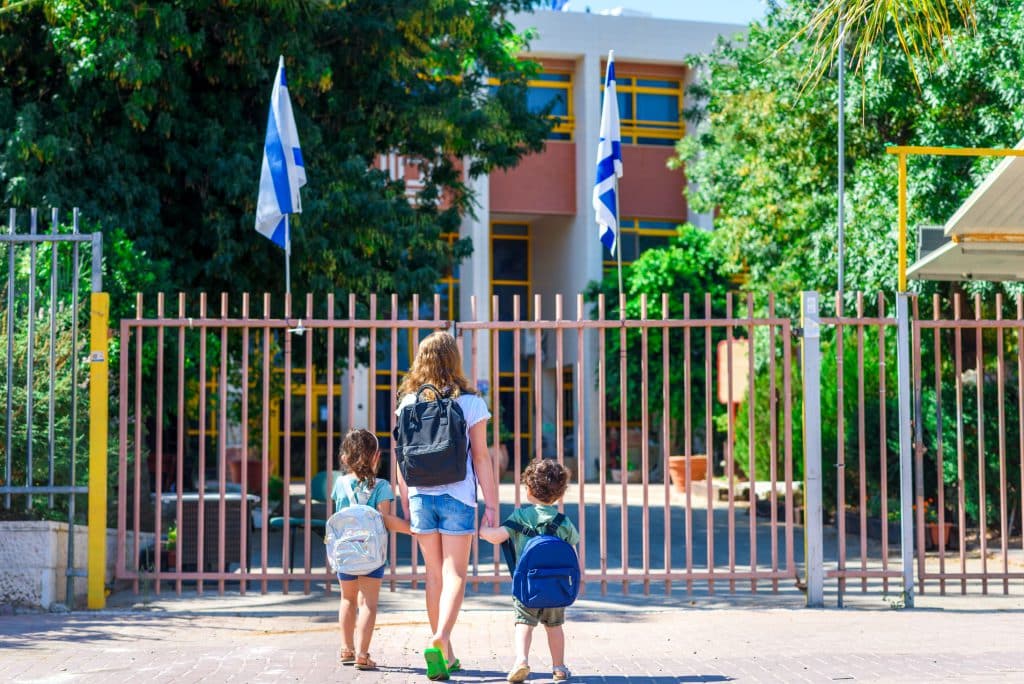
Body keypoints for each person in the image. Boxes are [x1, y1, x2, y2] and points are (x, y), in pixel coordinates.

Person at [394, 331, 499, 680]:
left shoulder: (408, 402)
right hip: (458, 495)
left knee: (433, 576)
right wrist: (492, 505)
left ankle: (447, 655)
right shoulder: (470, 402)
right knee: (456, 574)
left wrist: (405, 497)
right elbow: (482, 458)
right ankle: (440, 638)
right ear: (454, 359)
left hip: (421, 494)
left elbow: (400, 456)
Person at [479, 459, 579, 683]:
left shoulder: (520, 517)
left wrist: (484, 529)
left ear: (529, 490)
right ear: (559, 494)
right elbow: (572, 553)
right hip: (556, 587)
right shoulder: (563, 521)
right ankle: (559, 667)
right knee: (555, 627)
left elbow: (497, 537)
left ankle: (521, 661)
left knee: (523, 623)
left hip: (527, 587)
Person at [332, 428, 411, 671]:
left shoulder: (340, 484)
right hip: (372, 556)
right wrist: (412, 528)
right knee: (368, 603)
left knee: (347, 599)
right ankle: (363, 654)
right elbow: (385, 519)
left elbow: (340, 517)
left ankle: (346, 649)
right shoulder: (383, 486)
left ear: (345, 458)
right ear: (377, 457)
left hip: (345, 554)